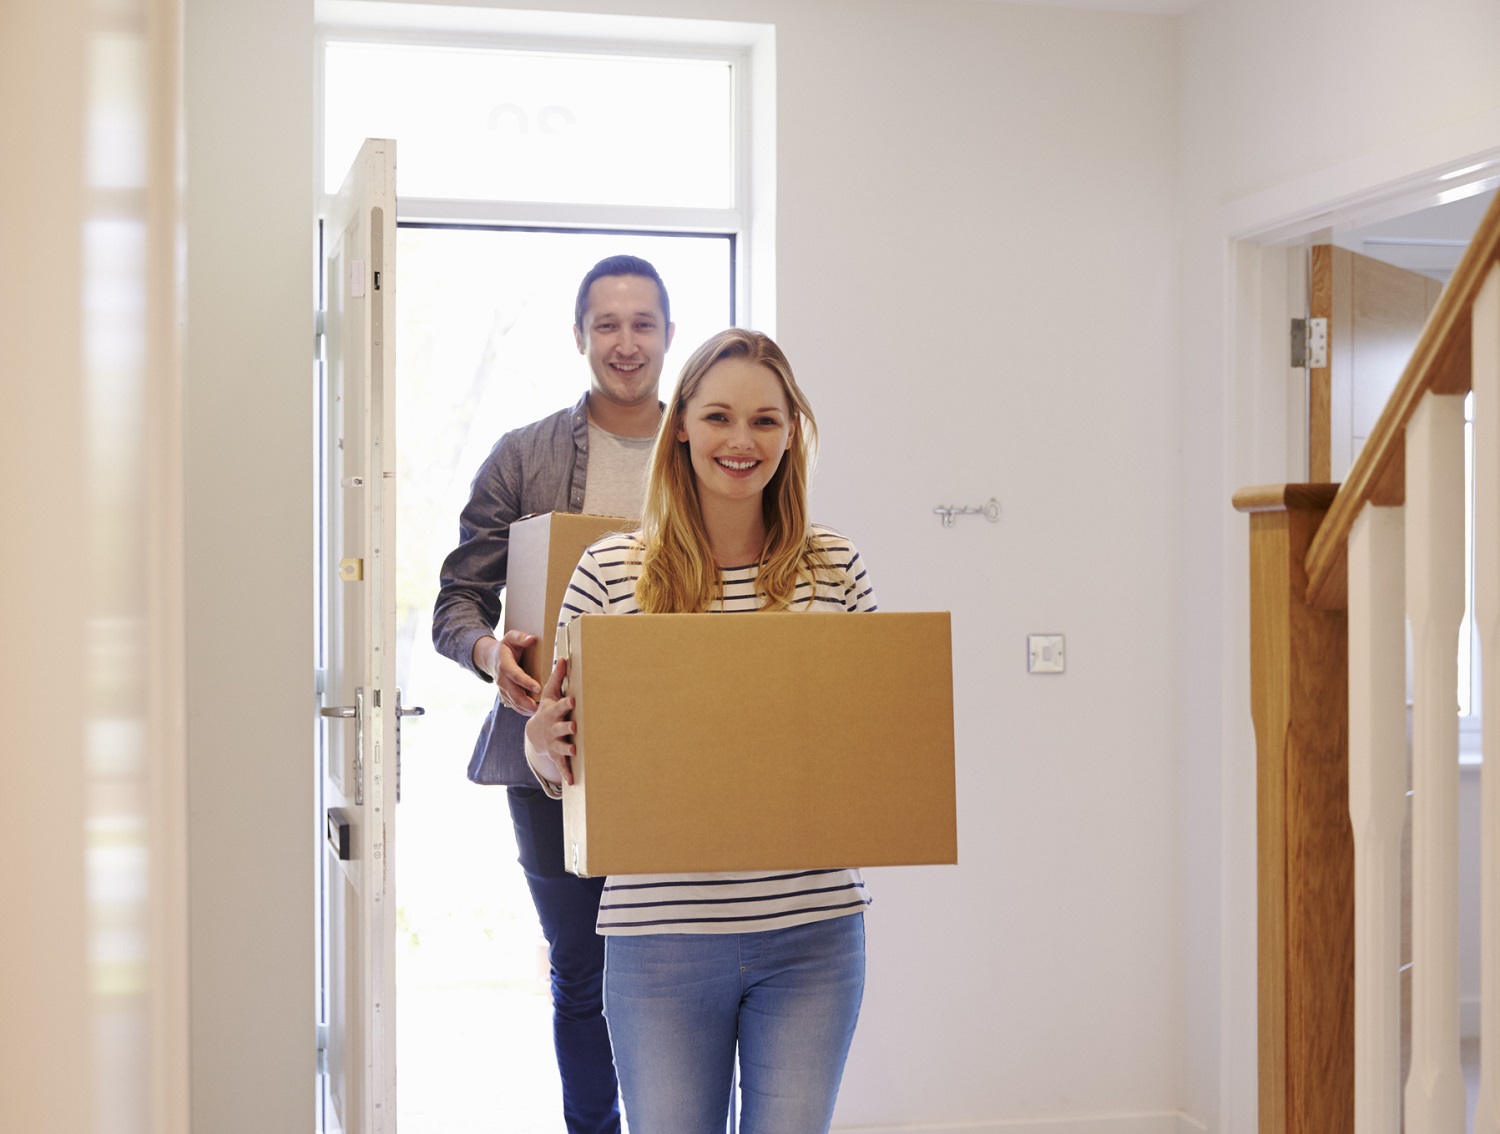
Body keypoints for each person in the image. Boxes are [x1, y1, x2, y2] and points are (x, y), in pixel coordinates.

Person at [524, 328, 877, 1134]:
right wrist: (544, 743)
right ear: (680, 424)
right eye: (719, 417)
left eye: (765, 420)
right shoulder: (611, 571)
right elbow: (563, 760)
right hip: (662, 939)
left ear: (792, 432)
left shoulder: (835, 569)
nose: (741, 441)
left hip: (813, 934)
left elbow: (871, 739)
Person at [432, 254, 676, 1134]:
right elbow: (454, 602)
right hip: (552, 748)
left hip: (682, 749)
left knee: (675, 965)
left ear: (668, 336)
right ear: (580, 336)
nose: (624, 343)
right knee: (581, 969)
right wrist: (491, 650)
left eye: (642, 324)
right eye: (606, 324)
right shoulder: (522, 455)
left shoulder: (705, 450)